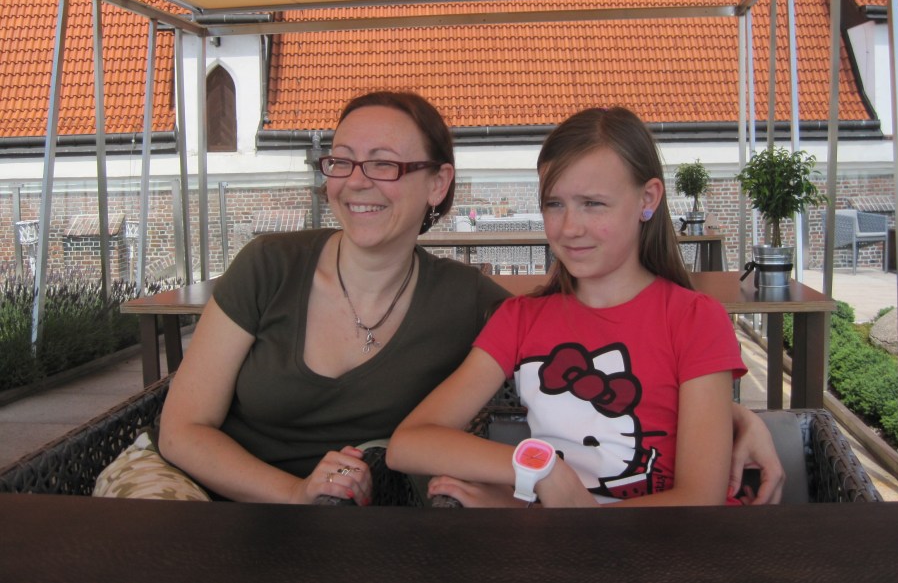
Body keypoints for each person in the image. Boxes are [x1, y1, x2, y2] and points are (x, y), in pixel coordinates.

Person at [98, 92, 782, 505]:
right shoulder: (269, 265)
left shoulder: (476, 302)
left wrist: (739, 419)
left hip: (347, 516)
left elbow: (641, 365)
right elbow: (182, 429)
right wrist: (293, 495)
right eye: (341, 159)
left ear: (437, 184)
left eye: (386, 163)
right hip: (202, 493)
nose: (357, 180)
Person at [388, 106, 753, 507]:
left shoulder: (695, 319)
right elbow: (408, 444)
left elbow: (701, 499)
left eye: (593, 204)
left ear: (647, 199)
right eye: (554, 204)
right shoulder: (520, 320)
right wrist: (539, 469)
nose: (568, 228)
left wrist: (556, 518)